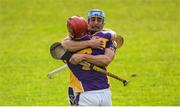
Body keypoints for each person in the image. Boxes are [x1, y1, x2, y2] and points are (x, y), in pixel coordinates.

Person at [61, 9, 120, 106]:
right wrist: (89, 43)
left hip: (96, 91)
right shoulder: (78, 38)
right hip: (86, 91)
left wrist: (83, 56)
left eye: (99, 20)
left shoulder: (108, 40)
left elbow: (106, 60)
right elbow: (63, 45)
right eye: (93, 20)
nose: (95, 23)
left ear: (103, 23)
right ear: (87, 22)